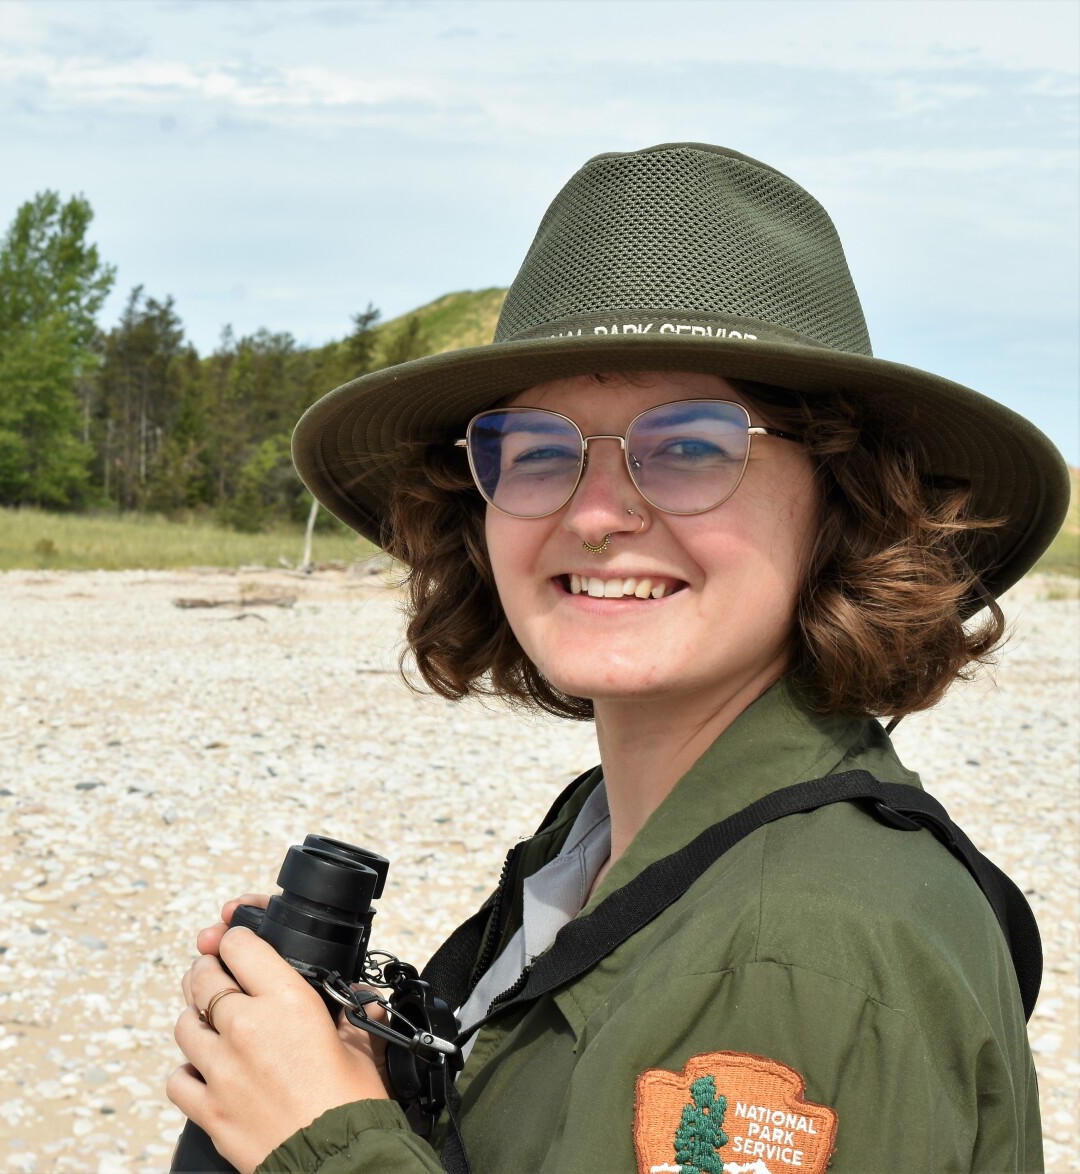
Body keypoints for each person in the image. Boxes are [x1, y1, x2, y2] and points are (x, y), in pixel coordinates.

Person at [166, 142, 1068, 1173]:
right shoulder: (619, 843)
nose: (595, 514)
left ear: (843, 498)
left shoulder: (792, 944)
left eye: (689, 447)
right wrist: (368, 1078)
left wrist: (322, 1144)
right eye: (538, 449)